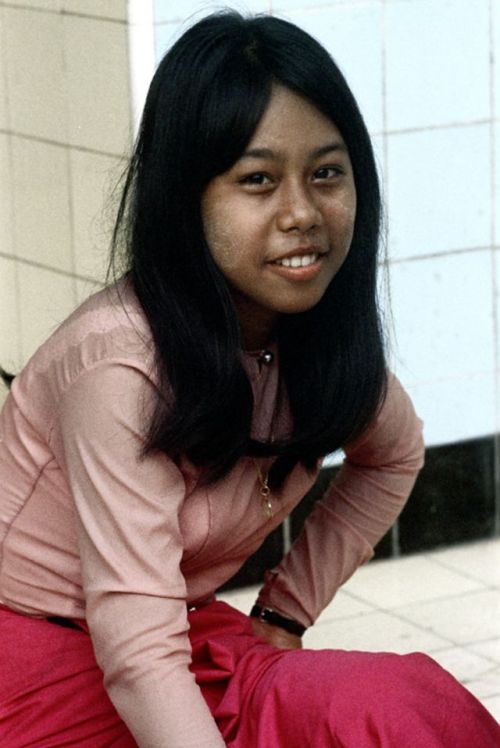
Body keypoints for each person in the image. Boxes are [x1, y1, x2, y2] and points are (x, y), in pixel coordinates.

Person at [0, 10, 498, 748]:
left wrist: (284, 614)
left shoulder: (312, 333)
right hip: (34, 663)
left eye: (327, 173)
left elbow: (392, 456)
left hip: (179, 637)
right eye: (257, 180)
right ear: (185, 199)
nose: (303, 213)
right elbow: (137, 661)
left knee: (403, 710)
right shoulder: (120, 366)